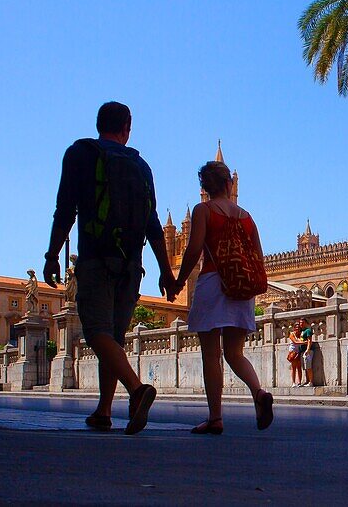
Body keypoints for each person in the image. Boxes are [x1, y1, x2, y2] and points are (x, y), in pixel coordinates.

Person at [42, 101, 174, 435]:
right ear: (127, 128)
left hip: (96, 258)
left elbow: (65, 210)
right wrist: (166, 271)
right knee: (113, 337)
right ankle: (103, 410)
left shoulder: (79, 154)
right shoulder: (140, 165)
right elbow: (153, 223)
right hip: (132, 264)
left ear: (98, 123)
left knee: (97, 333)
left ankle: (137, 388)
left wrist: (52, 254)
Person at [172, 161, 272, 434]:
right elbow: (258, 258)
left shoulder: (203, 210)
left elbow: (193, 250)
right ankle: (258, 393)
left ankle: (215, 417)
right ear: (230, 185)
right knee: (235, 353)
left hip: (214, 283)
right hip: (241, 288)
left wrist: (179, 281)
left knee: (211, 354)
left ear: (204, 188)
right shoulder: (247, 217)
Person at [287, 322, 305, 387]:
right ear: (294, 328)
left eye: (298, 328)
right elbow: (295, 342)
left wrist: (303, 341)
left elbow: (301, 340)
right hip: (293, 352)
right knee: (293, 368)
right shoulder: (292, 334)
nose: (297, 329)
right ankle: (293, 383)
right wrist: (304, 342)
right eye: (296, 328)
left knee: (299, 367)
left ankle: (299, 382)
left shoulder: (300, 334)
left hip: (299, 351)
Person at [299, 319, 315, 387]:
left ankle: (311, 382)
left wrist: (308, 349)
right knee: (305, 367)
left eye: (302, 323)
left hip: (307, 351)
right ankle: (307, 381)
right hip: (302, 351)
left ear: (306, 323)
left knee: (308, 366)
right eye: (300, 323)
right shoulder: (301, 331)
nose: (301, 324)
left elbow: (309, 340)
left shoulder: (308, 330)